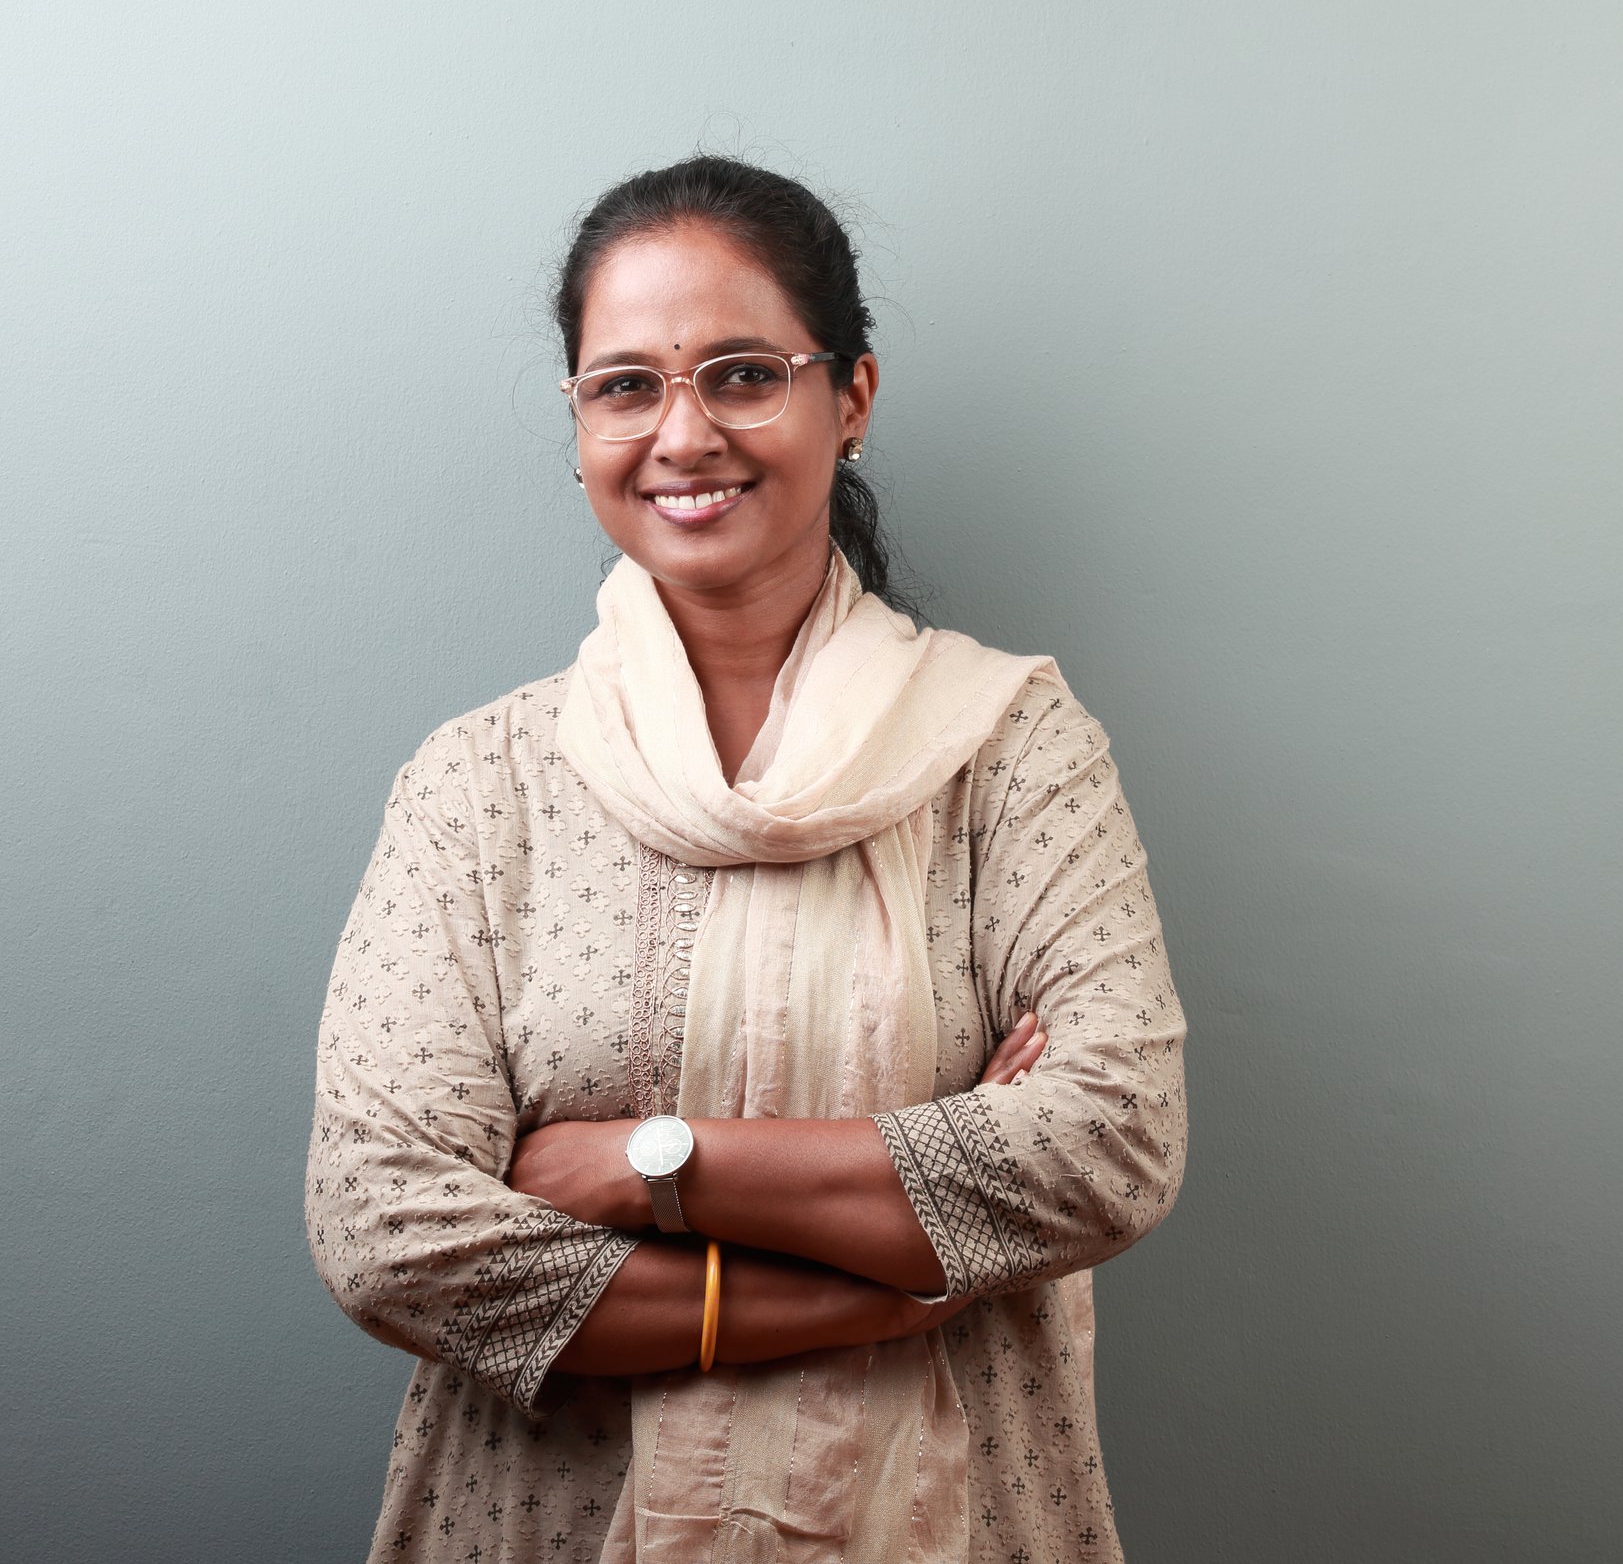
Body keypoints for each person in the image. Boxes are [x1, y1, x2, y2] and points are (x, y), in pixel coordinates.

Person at [305, 155, 1190, 1564]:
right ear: (582, 418)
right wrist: (905, 1278)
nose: (681, 433)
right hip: (553, 1515)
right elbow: (391, 1234)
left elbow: (1106, 1148)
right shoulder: (481, 786)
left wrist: (648, 1166)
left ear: (850, 398)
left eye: (740, 373)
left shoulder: (1010, 748)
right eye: (625, 386)